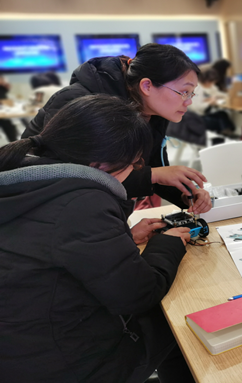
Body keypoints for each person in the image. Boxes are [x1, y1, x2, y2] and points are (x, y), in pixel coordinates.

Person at [0, 95, 194, 383]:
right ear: (100, 165)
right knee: (180, 322)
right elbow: (138, 294)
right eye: (134, 164)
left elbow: (49, 248)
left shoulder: (25, 179)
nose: (135, 172)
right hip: (67, 363)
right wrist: (167, 244)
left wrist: (125, 237)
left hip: (21, 347)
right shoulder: (82, 203)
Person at [22, 43, 212, 217]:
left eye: (192, 93)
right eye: (184, 92)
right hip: (42, 208)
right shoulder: (79, 101)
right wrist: (155, 175)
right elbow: (79, 177)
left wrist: (186, 195)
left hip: (94, 213)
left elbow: (154, 167)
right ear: (147, 86)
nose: (189, 102)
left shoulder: (153, 111)